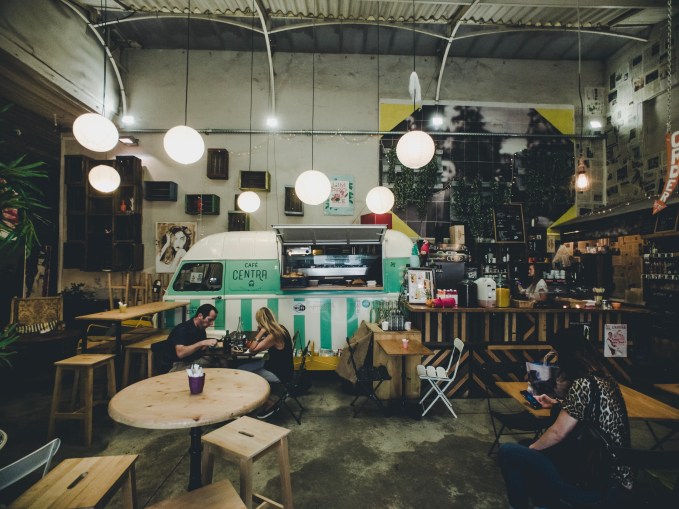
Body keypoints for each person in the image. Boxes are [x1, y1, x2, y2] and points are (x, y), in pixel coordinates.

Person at [498, 328, 632, 509]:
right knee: (525, 448)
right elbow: (586, 411)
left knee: (509, 452)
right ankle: (545, 503)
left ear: (567, 356)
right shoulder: (605, 380)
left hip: (598, 488)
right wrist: (556, 403)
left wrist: (532, 450)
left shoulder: (583, 384)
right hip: (616, 481)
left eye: (557, 354)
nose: (557, 360)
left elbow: (557, 433)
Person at [240, 307, 294, 418]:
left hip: (279, 372)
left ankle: (268, 403)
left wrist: (261, 332)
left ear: (261, 321)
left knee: (244, 375)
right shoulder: (281, 328)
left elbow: (252, 350)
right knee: (241, 369)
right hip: (279, 366)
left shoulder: (274, 335)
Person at [167, 303, 223, 372]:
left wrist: (210, 345)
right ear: (200, 316)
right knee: (215, 365)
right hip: (177, 364)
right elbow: (180, 353)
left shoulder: (201, 328)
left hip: (192, 360)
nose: (211, 324)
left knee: (219, 360)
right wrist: (202, 343)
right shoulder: (182, 329)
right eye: (209, 320)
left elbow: (200, 348)